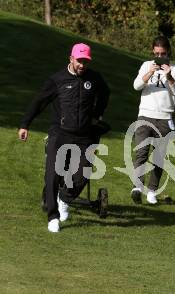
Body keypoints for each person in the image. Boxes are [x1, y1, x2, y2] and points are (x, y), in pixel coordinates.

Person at [18, 43, 110, 233]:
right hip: (60, 133)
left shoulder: (94, 79)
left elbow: (105, 93)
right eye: (79, 61)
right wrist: (25, 124)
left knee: (83, 174)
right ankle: (53, 216)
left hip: (85, 135)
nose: (82, 65)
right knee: (52, 174)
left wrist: (97, 114)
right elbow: (39, 101)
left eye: (85, 61)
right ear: (71, 59)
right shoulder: (57, 79)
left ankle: (65, 198)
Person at [130, 35, 175, 204]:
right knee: (141, 151)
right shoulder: (147, 65)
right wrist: (150, 72)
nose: (160, 57)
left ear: (168, 52)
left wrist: (168, 76)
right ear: (153, 52)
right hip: (145, 114)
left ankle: (152, 191)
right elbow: (136, 86)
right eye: (157, 54)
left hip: (164, 117)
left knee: (159, 157)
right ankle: (137, 187)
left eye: (163, 54)